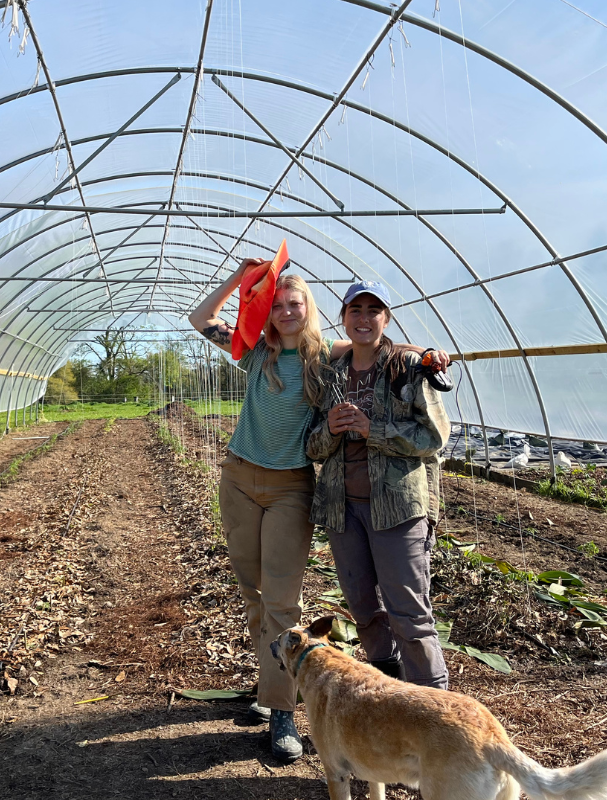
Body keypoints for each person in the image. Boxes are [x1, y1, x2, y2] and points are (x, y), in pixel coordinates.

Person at [189, 259, 445, 761]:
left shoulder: (324, 357)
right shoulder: (253, 351)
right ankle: (270, 690)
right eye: (277, 304)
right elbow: (201, 320)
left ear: (310, 310)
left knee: (282, 599)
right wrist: (239, 281)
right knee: (252, 592)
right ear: (267, 311)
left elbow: (377, 344)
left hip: (292, 487)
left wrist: (424, 353)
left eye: (295, 303)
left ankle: (284, 712)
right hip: (239, 478)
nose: (286, 311)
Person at [306, 280, 451, 690]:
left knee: (408, 610)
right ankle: (388, 683)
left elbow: (435, 437)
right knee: (363, 606)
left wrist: (375, 430)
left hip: (397, 509)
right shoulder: (331, 373)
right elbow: (313, 446)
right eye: (356, 310)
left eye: (374, 311)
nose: (364, 318)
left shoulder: (407, 367)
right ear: (344, 318)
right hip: (343, 509)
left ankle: (432, 703)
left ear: (386, 318)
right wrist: (331, 430)